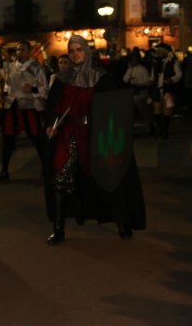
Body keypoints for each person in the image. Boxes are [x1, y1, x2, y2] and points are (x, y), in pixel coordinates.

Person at [44, 35, 146, 244]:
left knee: (108, 177)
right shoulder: (62, 79)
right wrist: (50, 124)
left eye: (79, 50)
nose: (75, 54)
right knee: (60, 178)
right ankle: (58, 229)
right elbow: (53, 106)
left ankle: (122, 222)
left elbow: (112, 109)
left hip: (94, 135)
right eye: (71, 50)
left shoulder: (101, 78)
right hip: (68, 135)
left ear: (86, 51)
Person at [0, 41, 48, 180]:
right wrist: (5, 95)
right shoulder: (10, 67)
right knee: (8, 140)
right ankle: (4, 170)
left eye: (22, 49)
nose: (19, 52)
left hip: (29, 106)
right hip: (13, 107)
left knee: (37, 139)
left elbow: (44, 88)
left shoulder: (36, 67)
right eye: (18, 50)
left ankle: (46, 167)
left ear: (29, 51)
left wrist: (33, 89)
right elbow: (7, 85)